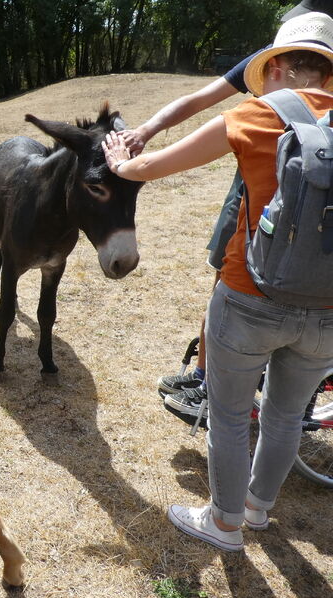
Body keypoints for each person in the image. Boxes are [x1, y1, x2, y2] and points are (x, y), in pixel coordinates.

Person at [102, 11, 333, 551]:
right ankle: (256, 511)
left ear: (274, 66)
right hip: (327, 310)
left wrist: (119, 161)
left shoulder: (254, 116)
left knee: (229, 416)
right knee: (282, 418)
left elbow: (153, 167)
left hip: (249, 296)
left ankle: (223, 524)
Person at [121, 0, 333, 416]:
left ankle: (220, 385)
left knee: (235, 278)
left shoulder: (268, 81)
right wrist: (147, 129)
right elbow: (196, 99)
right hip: (275, 200)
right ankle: (209, 376)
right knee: (233, 271)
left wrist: (134, 149)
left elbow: (200, 102)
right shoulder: (292, 62)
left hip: (265, 197)